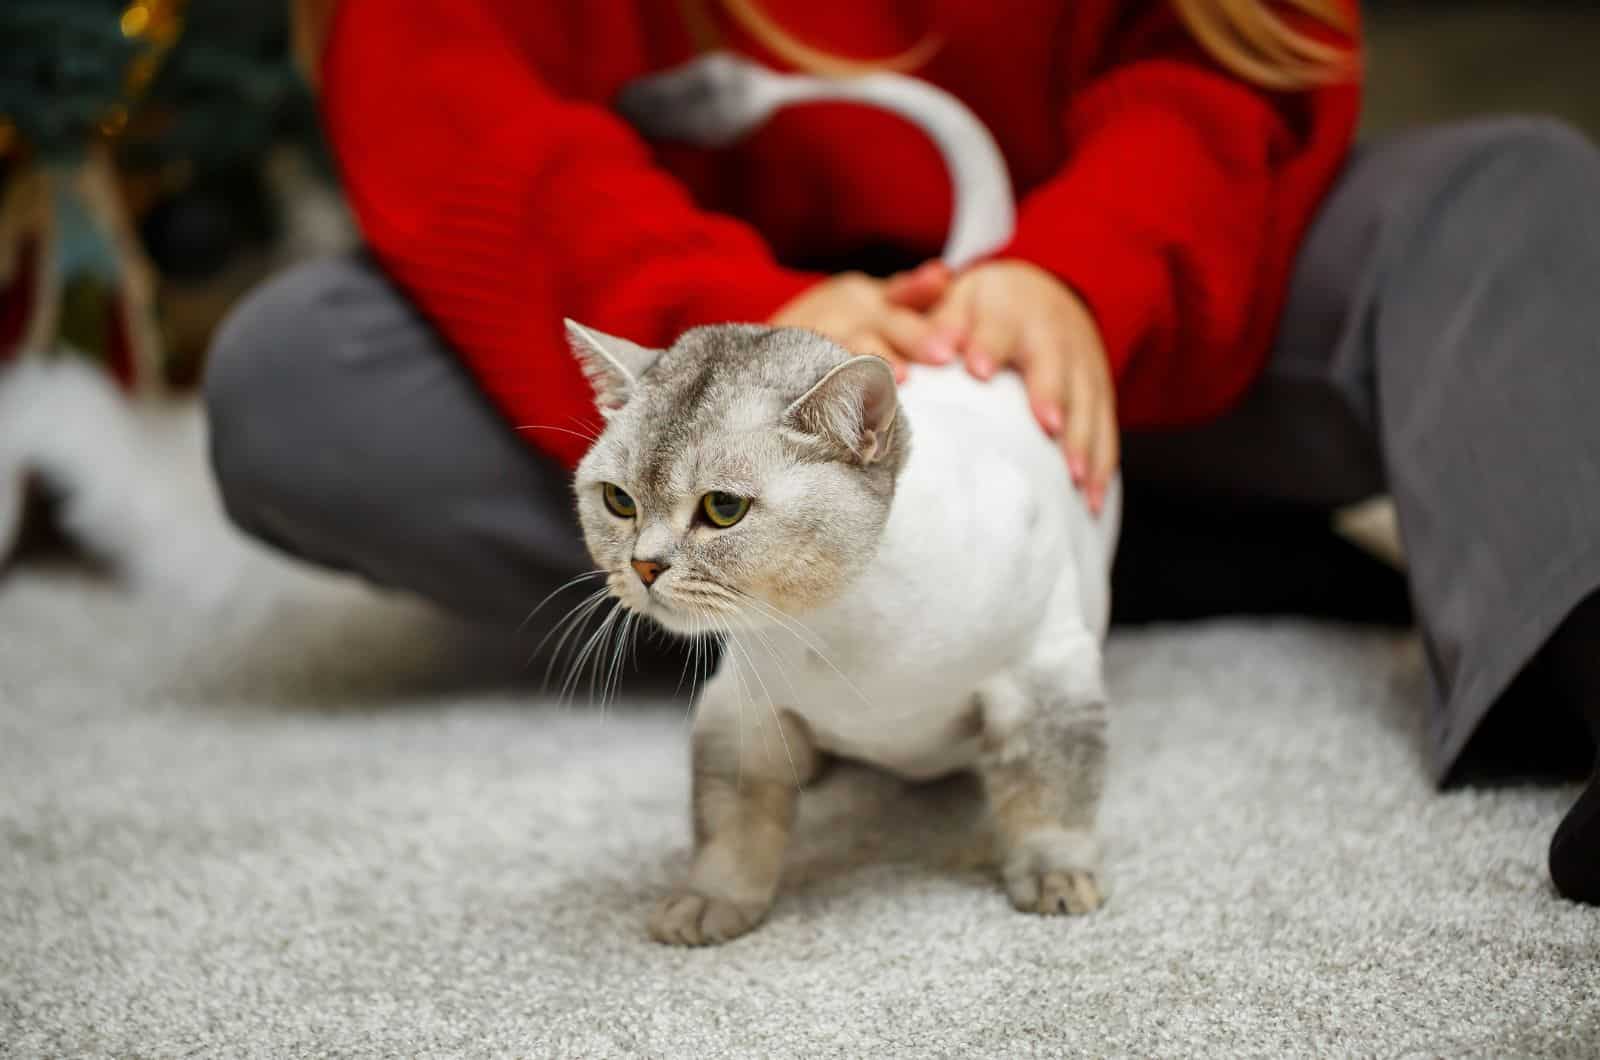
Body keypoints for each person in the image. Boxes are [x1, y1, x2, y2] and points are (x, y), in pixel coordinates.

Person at [204, 0, 1600, 904]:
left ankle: (1570, 651)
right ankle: (1076, 566)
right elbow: (438, 77)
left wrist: (1085, 267)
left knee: (1509, 197)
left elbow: (1233, 60)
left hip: (1106, 314)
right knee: (298, 384)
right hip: (731, 370)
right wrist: (725, 325)